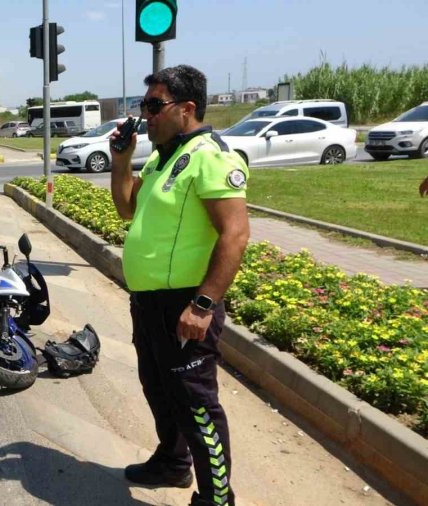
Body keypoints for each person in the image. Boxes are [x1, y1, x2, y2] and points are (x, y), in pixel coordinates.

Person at [109, 65, 250, 506]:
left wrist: (204, 304)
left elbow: (235, 233)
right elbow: (126, 209)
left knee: (196, 405)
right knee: (158, 388)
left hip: (185, 305)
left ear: (187, 108)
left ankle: (218, 498)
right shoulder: (160, 155)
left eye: (154, 105)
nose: (145, 115)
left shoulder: (212, 157)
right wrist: (121, 159)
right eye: (143, 105)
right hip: (149, 303)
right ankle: (172, 463)